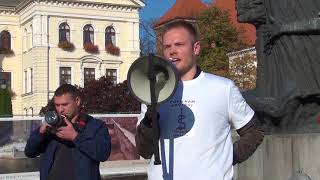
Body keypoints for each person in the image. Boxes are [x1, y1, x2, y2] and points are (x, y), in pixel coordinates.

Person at [135, 20, 264, 180]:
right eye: (167, 46)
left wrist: (228, 158)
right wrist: (149, 119)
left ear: (196, 48)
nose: (172, 51)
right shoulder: (153, 91)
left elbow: (255, 132)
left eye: (179, 44)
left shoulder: (223, 88)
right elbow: (144, 151)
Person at [25, 84, 111, 180]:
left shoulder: (95, 126)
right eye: (57, 105)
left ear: (77, 101)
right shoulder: (51, 127)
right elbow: (29, 152)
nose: (60, 110)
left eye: (65, 105)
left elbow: (103, 154)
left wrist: (75, 137)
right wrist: (40, 132)